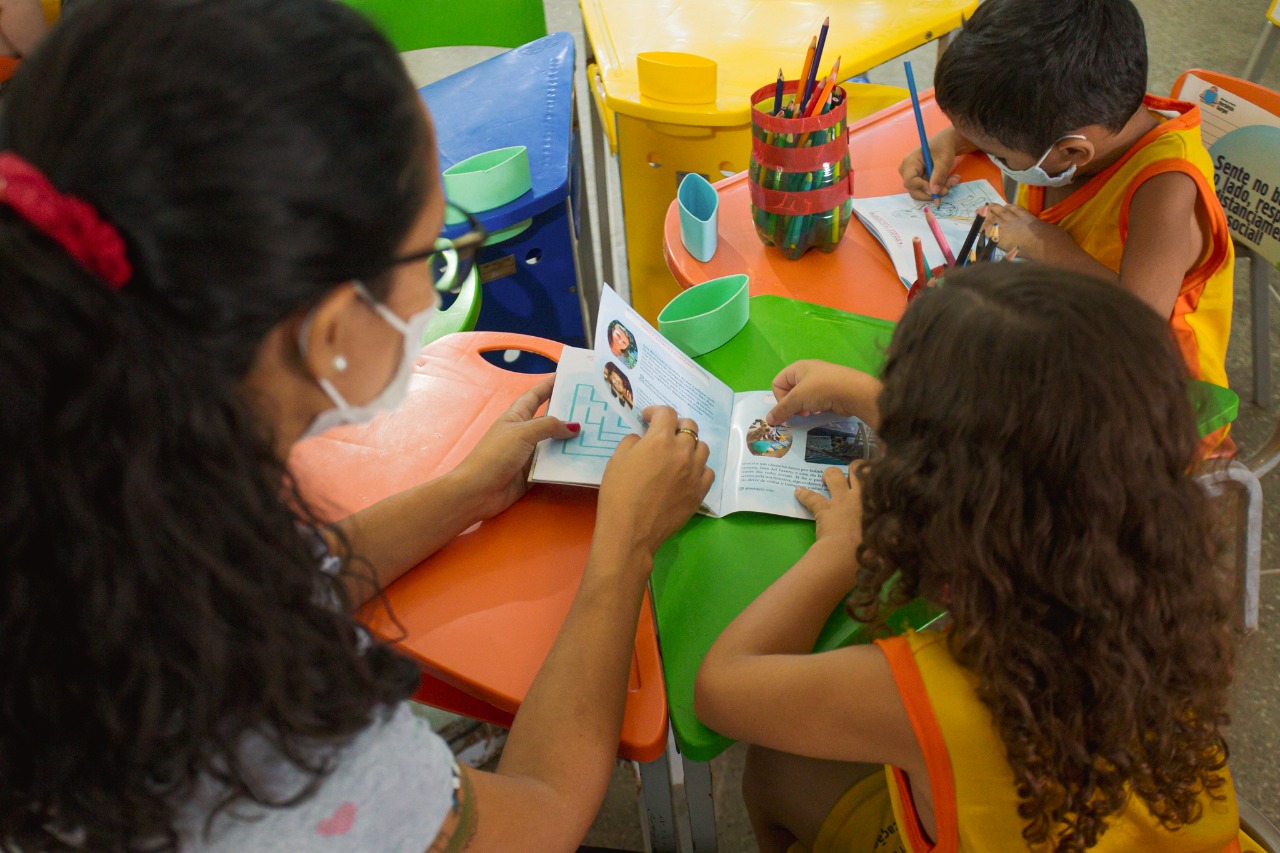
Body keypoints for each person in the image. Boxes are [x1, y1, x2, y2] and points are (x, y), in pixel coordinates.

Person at [0, 1, 714, 851]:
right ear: (332, 329)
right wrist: (624, 544)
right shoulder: (287, 756)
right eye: (434, 251)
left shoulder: (82, 466)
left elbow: (276, 584)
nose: (430, 289)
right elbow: (543, 809)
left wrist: (460, 493)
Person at [696, 264, 1243, 852]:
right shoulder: (1156, 592)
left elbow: (719, 688)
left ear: (951, 513)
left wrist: (835, 554)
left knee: (778, 770)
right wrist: (875, 400)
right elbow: (1040, 445)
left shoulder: (930, 693)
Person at [898, 0, 1234, 449]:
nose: (996, 160)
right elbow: (1020, 121)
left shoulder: (1167, 188)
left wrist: (1047, 245)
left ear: (1073, 154)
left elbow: (1138, 323)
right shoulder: (1080, 116)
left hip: (1152, 405)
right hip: (1063, 332)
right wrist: (950, 141)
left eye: (1000, 154)